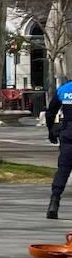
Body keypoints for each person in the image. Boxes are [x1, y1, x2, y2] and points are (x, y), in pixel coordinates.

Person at [46, 76, 72, 218]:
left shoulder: (64, 89)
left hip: (68, 134)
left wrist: (51, 130)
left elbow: (51, 112)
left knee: (63, 169)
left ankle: (54, 202)